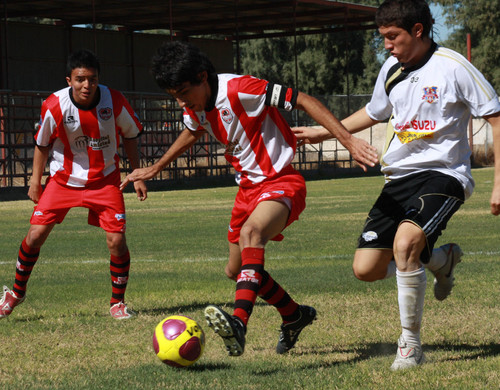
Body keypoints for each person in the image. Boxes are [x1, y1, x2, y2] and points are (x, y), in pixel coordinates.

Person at [120, 41, 378, 356]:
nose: (182, 102)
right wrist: (157, 167)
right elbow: (194, 131)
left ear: (203, 77)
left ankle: (240, 323)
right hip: (246, 191)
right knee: (236, 270)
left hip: (281, 181)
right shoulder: (195, 106)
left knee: (251, 234)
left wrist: (348, 140)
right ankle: (294, 314)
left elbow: (304, 100)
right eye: (175, 96)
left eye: (184, 93)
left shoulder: (242, 89)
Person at [293, 0, 500, 370]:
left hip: (445, 174)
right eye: (383, 37)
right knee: (366, 268)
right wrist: (322, 131)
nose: (386, 45)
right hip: (398, 177)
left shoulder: (454, 68)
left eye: (393, 37)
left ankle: (410, 345)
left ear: (418, 31)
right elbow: (374, 112)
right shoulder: (391, 68)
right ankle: (441, 259)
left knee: (405, 244)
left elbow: (496, 119)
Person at [0, 49, 147, 320]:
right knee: (34, 236)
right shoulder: (54, 105)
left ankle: (118, 303)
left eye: (92, 79)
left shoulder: (114, 100)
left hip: (105, 181)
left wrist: (137, 173)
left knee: (116, 241)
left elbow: (130, 135)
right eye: (80, 79)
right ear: (69, 80)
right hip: (63, 182)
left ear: (98, 79)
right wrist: (35, 181)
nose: (87, 85)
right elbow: (42, 144)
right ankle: (15, 294)